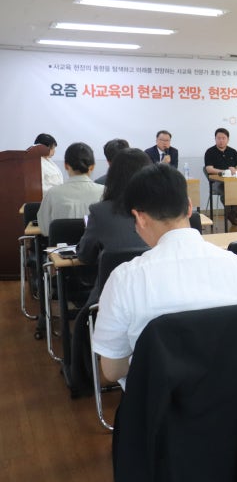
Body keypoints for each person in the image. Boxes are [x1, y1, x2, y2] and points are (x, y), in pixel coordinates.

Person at [92, 164, 237, 389]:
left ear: (139, 218)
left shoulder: (125, 279)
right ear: (189, 207)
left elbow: (112, 371)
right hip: (236, 400)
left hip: (159, 405)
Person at [70, 148, 152, 394]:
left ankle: (89, 377)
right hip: (155, 293)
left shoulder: (101, 211)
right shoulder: (159, 210)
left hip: (109, 298)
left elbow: (84, 255)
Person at [37, 142, 104, 236]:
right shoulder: (105, 192)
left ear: (66, 165)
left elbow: (45, 229)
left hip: (60, 244)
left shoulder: (52, 193)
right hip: (96, 245)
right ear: (92, 167)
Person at [204, 127, 237, 226]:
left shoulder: (233, 151)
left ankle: (232, 213)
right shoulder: (210, 152)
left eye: (223, 138)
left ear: (228, 139)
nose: (221, 140)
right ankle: (231, 213)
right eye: (218, 138)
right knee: (225, 189)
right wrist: (225, 172)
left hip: (232, 181)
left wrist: (235, 171)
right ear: (215, 139)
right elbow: (209, 169)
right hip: (216, 182)